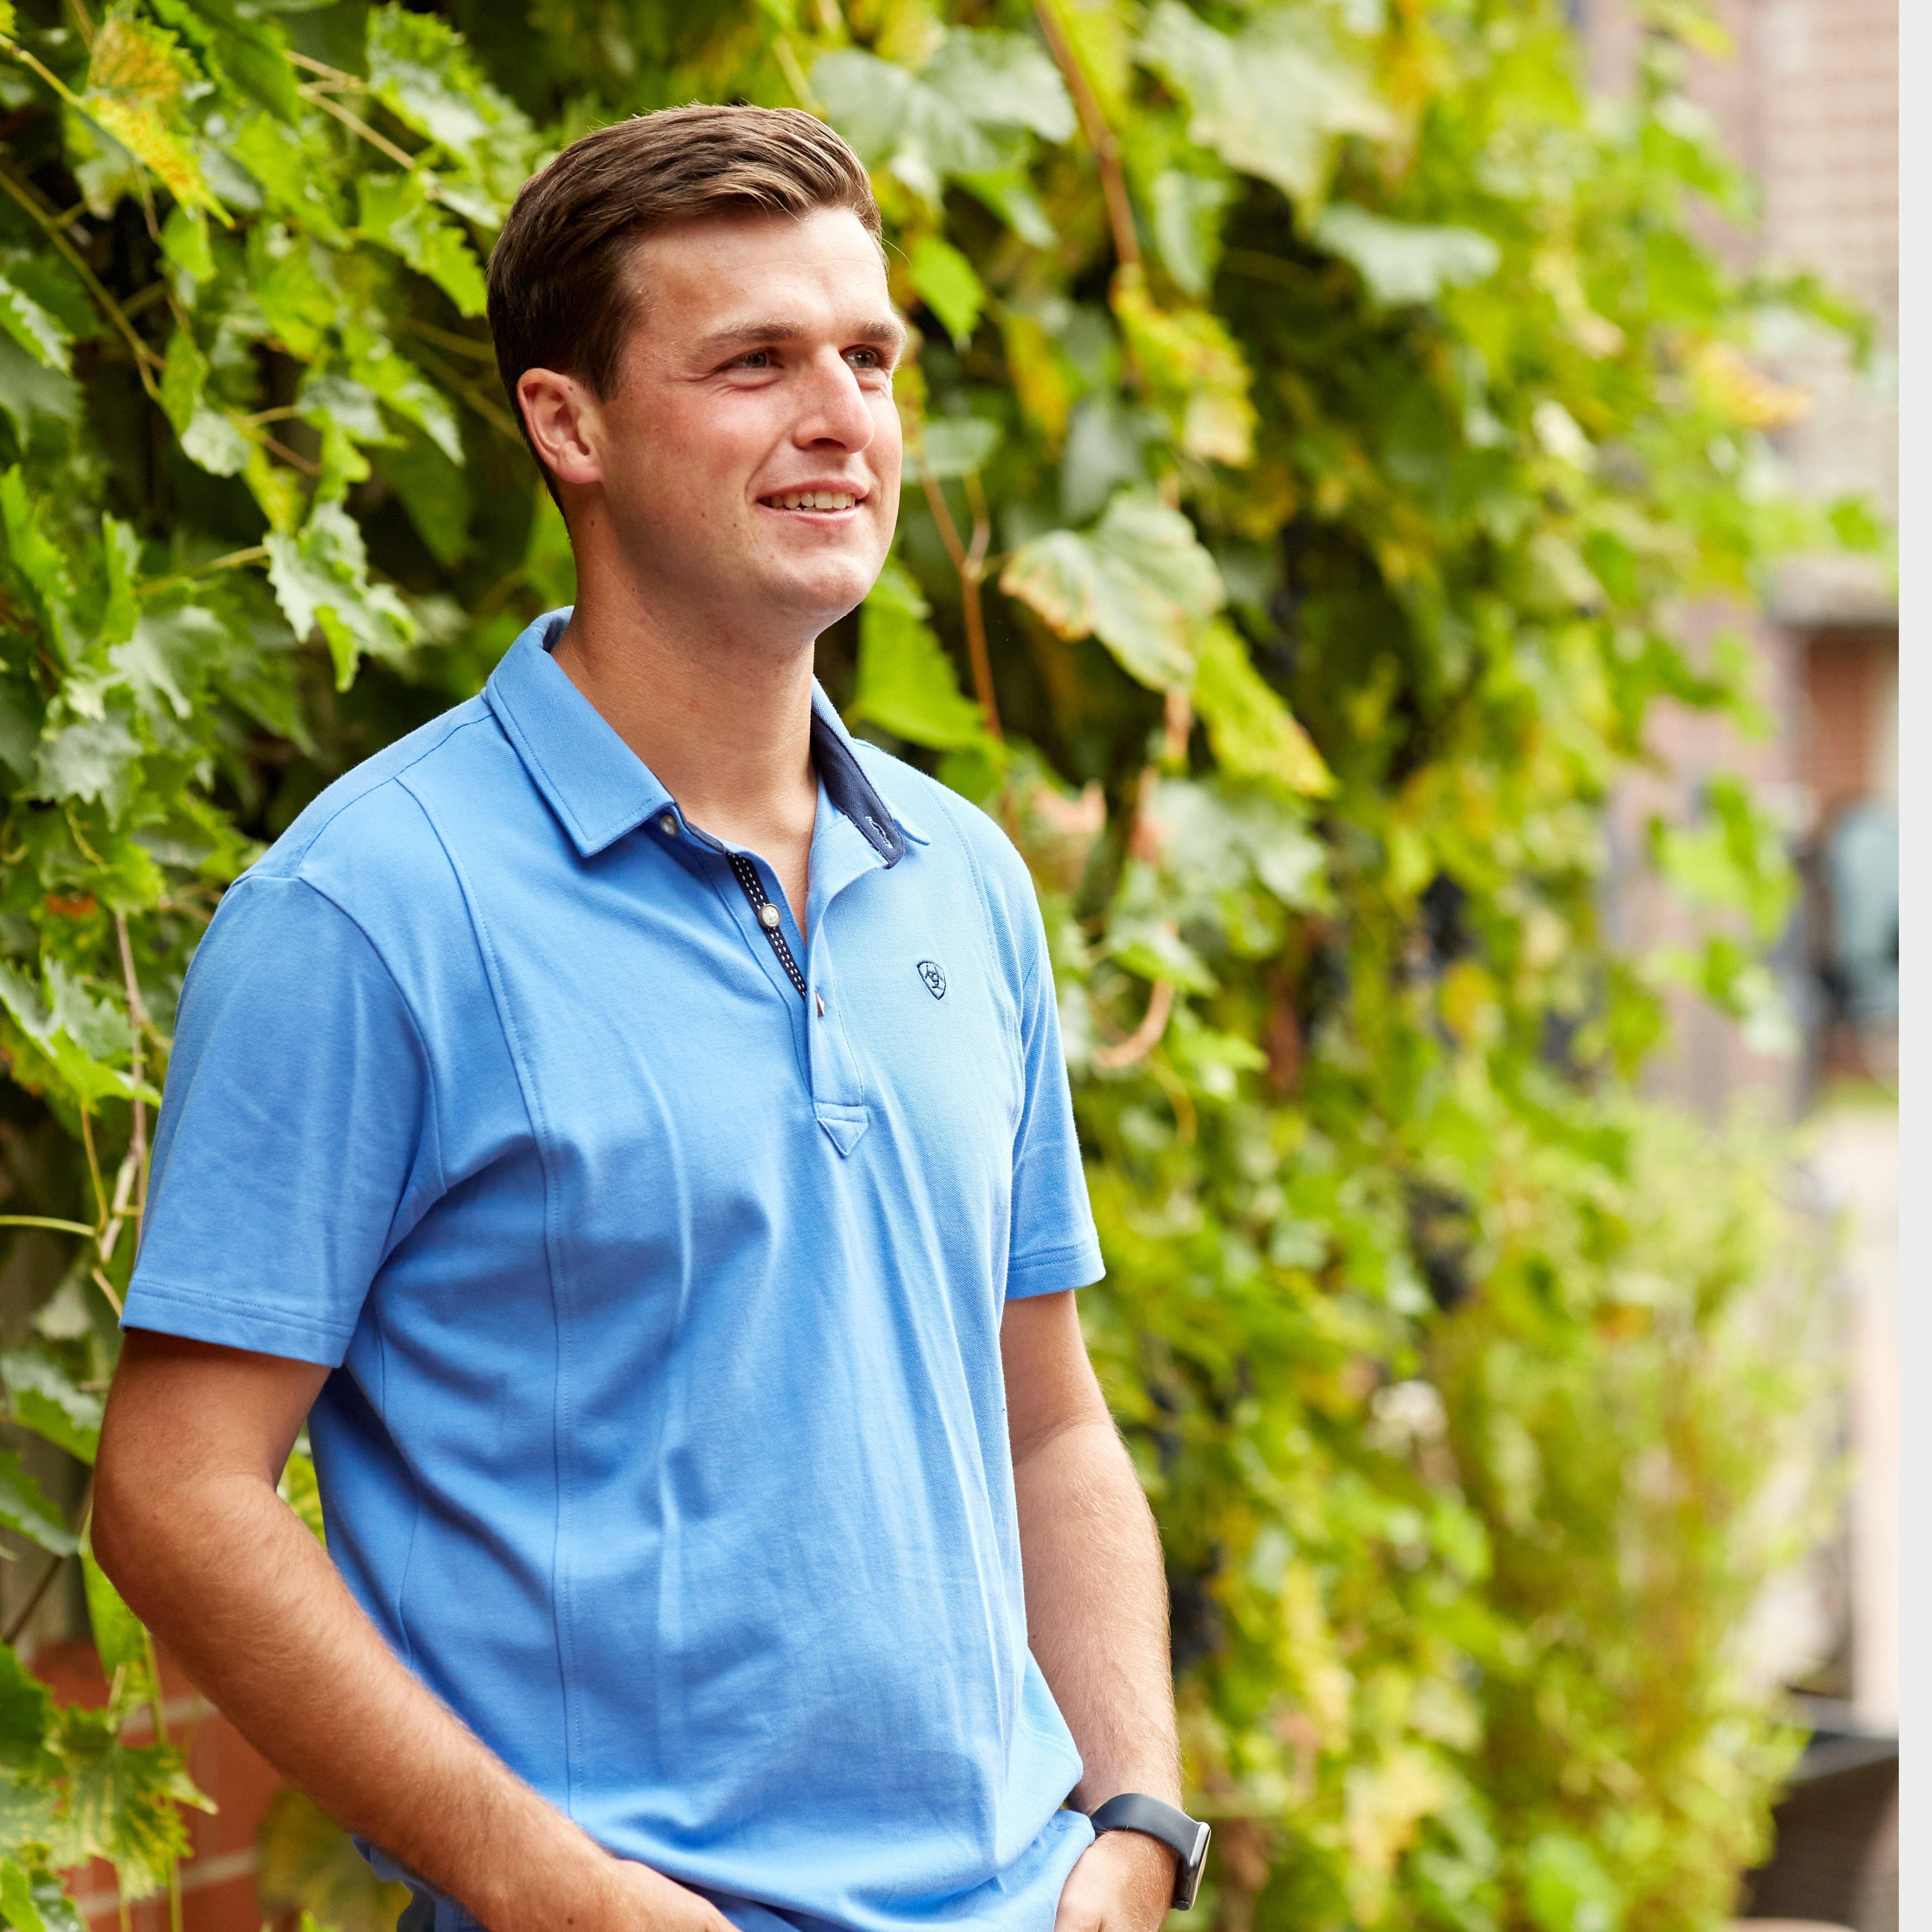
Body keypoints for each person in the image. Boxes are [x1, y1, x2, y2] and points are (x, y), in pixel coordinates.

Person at [92, 104, 1208, 1932]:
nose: (838, 413)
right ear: (570, 424)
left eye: (866, 356)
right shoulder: (367, 913)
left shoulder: (966, 880)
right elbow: (174, 1494)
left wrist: (1138, 1827)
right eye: (753, 361)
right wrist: (548, 1887)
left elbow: (1048, 1429)